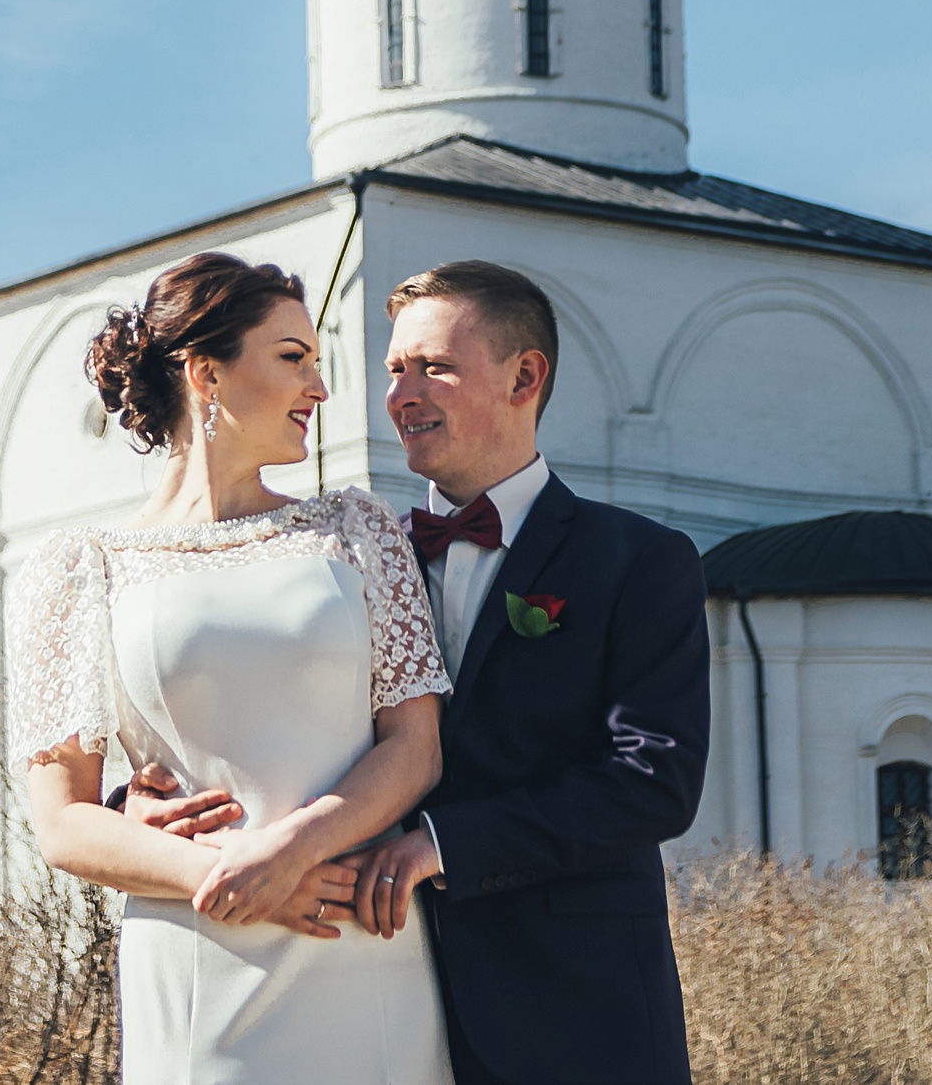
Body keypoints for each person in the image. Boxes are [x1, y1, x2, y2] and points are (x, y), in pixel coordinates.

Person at [133, 260, 710, 1085]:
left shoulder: (639, 560)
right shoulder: (349, 560)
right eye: (394, 368)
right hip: (366, 995)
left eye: (433, 367)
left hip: (577, 1013)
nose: (400, 394)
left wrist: (440, 844)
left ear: (525, 377)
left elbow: (654, 780)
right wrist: (141, 803)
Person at [6, 252, 456, 1085]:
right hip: (196, 953)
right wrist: (224, 873)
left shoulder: (358, 531)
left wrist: (288, 850)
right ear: (205, 372)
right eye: (292, 357)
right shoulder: (80, 568)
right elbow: (62, 819)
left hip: (362, 946)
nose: (320, 387)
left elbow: (415, 747)